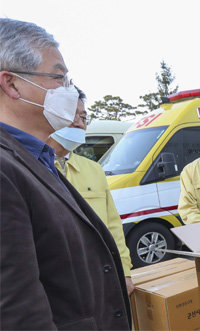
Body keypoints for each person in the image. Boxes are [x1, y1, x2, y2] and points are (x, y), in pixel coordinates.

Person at [0, 18, 130, 329]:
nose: (68, 91)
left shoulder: (38, 158)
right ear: (12, 83)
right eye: (59, 77)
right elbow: (18, 312)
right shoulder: (5, 171)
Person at [46, 86, 134, 295]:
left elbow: (113, 226)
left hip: (102, 275)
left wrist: (124, 271)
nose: (78, 122)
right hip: (58, 284)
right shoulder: (31, 166)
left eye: (83, 117)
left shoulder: (93, 169)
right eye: (71, 115)